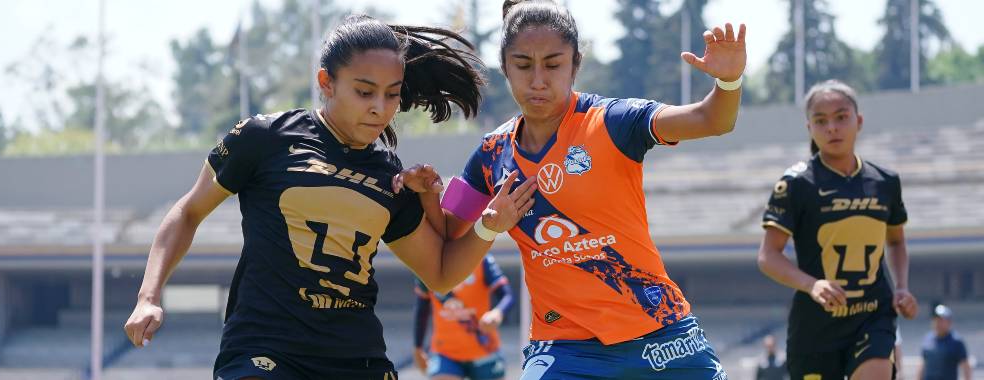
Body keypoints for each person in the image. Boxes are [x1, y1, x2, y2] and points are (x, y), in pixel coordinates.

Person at [123, 14, 537, 380]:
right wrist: (148, 297)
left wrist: (488, 226)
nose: (380, 107)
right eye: (364, 91)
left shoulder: (391, 176)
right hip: (264, 349)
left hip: (355, 358)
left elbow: (440, 273)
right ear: (326, 82)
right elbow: (188, 212)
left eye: (392, 94)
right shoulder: (264, 138)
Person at [397, 0, 746, 378]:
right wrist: (429, 195)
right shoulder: (489, 154)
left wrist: (728, 81)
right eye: (523, 65)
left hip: (661, 336)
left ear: (575, 64)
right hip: (565, 350)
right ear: (505, 66)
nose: (538, 80)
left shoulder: (614, 121)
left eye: (553, 64)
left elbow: (712, 120)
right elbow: (448, 236)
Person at [758, 79, 919, 379]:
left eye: (841, 117)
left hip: (873, 314)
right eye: (821, 121)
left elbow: (896, 241)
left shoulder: (885, 181)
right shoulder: (795, 184)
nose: (832, 127)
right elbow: (768, 255)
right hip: (815, 328)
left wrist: (901, 287)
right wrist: (812, 285)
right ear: (810, 128)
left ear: (858, 121)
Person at [412, 254, 513, 380]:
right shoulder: (428, 264)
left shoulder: (482, 260)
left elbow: (507, 295)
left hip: (485, 349)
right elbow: (422, 309)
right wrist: (418, 348)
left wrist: (497, 312)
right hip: (445, 353)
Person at [919, 304, 972, 380]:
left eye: (941, 320)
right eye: (935, 320)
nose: (938, 323)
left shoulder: (956, 342)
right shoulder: (927, 339)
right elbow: (923, 363)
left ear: (949, 322)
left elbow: (965, 366)